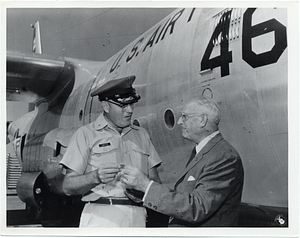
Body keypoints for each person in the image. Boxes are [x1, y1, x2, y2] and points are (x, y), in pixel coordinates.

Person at [120, 96, 244, 227]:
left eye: (185, 116)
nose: (179, 121)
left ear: (202, 120)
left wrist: (146, 186)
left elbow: (197, 208)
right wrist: (142, 191)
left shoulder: (223, 157)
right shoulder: (204, 152)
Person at [60, 75, 163, 227]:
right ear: (106, 106)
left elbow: (156, 181)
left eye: (132, 104)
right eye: (123, 106)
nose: (129, 111)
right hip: (101, 216)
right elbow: (68, 186)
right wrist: (95, 177)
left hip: (139, 216)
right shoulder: (86, 134)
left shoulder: (142, 135)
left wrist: (142, 185)